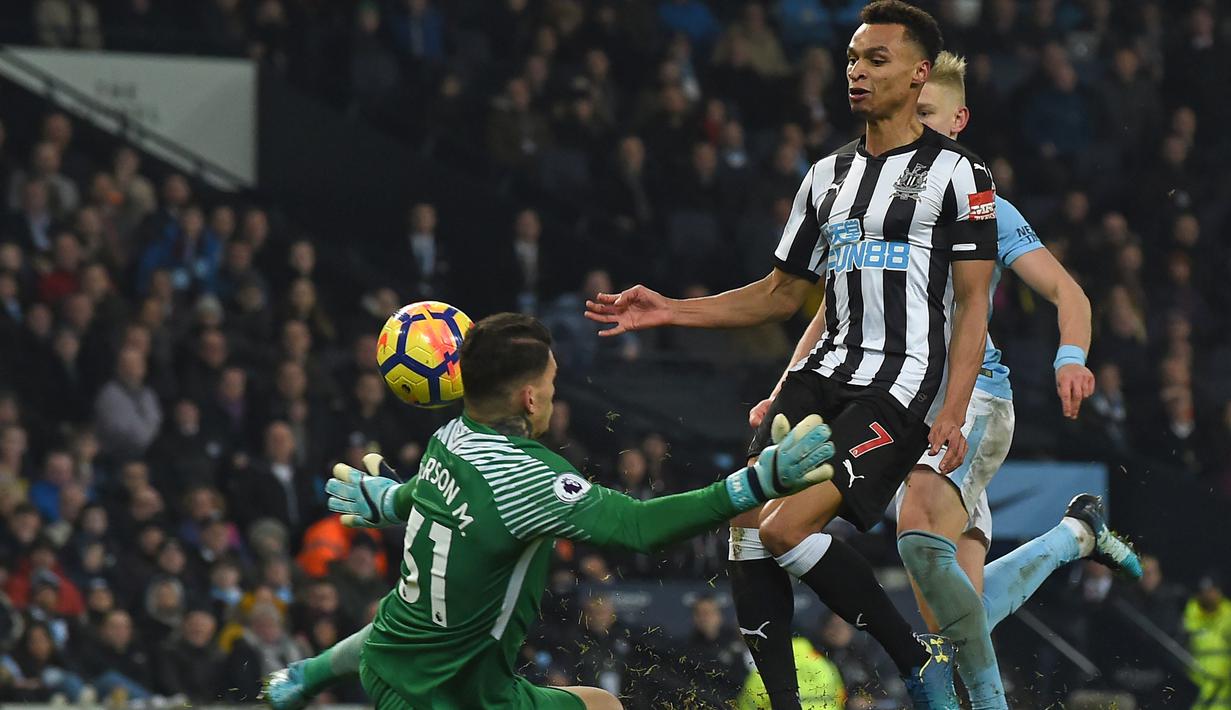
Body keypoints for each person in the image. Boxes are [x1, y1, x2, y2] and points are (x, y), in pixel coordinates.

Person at [585, 3, 992, 707]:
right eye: (852, 59)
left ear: (917, 73)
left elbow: (975, 303)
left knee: (785, 527)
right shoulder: (825, 175)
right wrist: (670, 309)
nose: (857, 72)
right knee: (746, 528)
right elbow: (780, 293)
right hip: (818, 373)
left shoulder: (961, 174)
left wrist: (953, 409)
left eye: (877, 60)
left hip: (896, 388)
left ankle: (913, 658)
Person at [750, 51, 1143, 710]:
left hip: (970, 399)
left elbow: (1067, 292)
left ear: (957, 122)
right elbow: (830, 315)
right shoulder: (868, 203)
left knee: (916, 533)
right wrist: (781, 389)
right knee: (955, 621)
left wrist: (1070, 357)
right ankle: (1074, 535)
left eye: (925, 113)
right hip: (891, 399)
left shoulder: (982, 206)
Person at [264, 313, 837, 709]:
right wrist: (755, 484)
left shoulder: (449, 439)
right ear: (530, 397)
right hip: (460, 698)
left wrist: (391, 499)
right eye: (553, 382)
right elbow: (639, 528)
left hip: (387, 667)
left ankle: (305, 675)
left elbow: (425, 496)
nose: (556, 393)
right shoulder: (530, 477)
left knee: (417, 622)